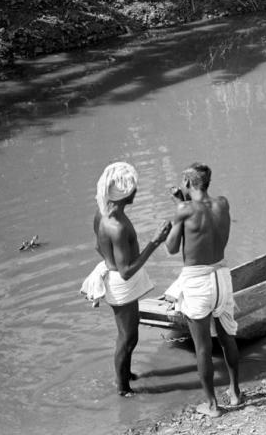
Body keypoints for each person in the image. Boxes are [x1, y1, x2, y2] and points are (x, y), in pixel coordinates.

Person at [81, 161, 171, 397]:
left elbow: (96, 246)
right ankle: (123, 389)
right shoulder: (118, 226)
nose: (137, 192)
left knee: (128, 334)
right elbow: (127, 271)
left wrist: (110, 263)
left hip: (112, 276)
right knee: (128, 337)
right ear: (125, 194)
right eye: (134, 189)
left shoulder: (101, 214)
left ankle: (126, 374)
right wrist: (155, 241)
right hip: (121, 282)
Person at [163, 163, 242, 418]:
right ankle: (235, 392)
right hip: (222, 275)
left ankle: (211, 405)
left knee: (202, 348)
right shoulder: (223, 203)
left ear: (187, 183)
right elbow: (202, 215)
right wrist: (183, 202)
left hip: (197, 281)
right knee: (227, 336)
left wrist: (178, 208)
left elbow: (171, 248)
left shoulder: (183, 210)